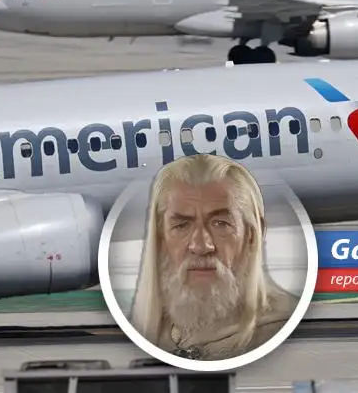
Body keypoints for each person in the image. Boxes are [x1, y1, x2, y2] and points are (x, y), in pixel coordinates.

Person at [128, 153, 299, 361]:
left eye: (221, 224)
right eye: (181, 225)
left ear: (253, 234)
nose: (201, 246)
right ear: (160, 238)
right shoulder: (148, 331)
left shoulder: (282, 331)